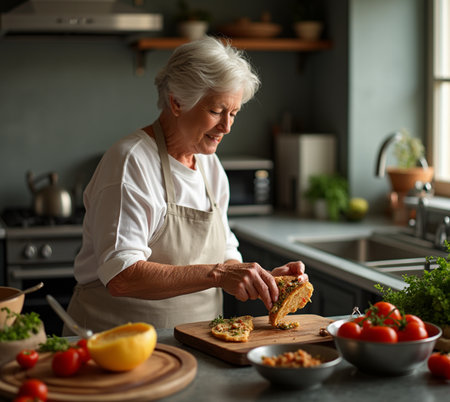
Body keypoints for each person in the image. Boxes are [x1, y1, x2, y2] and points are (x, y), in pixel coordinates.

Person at [64, 36, 308, 333]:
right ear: (177, 102)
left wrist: (263, 280)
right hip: (116, 346)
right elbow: (122, 275)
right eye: (216, 111)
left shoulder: (209, 165)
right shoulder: (132, 162)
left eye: (233, 113)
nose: (227, 127)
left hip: (200, 344)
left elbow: (225, 251)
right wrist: (219, 275)